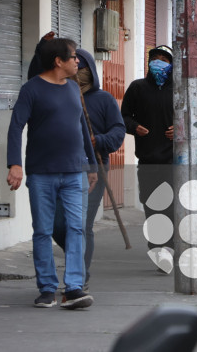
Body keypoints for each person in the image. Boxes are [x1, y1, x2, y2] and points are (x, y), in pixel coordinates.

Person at [7, 38, 98, 309]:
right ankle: (47, 288)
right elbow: (15, 127)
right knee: (43, 231)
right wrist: (15, 164)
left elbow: (83, 127)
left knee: (76, 229)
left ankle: (73, 288)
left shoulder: (73, 88)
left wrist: (91, 165)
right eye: (73, 57)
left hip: (74, 173)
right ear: (58, 61)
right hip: (41, 173)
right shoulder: (31, 90)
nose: (78, 61)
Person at [51, 49, 125, 290]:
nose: (77, 74)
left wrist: (99, 141)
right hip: (59, 167)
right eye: (74, 68)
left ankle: (79, 274)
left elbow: (118, 130)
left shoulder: (104, 100)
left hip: (93, 168)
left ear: (90, 71)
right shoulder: (58, 95)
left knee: (81, 224)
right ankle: (76, 258)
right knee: (56, 224)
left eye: (82, 70)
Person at [120, 45, 175, 273]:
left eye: (164, 59)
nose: (158, 63)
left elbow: (195, 117)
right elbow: (123, 116)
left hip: (174, 161)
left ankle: (170, 250)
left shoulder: (179, 88)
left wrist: (180, 130)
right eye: (155, 59)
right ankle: (157, 247)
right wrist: (134, 127)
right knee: (152, 206)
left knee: (172, 207)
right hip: (148, 160)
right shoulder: (137, 88)